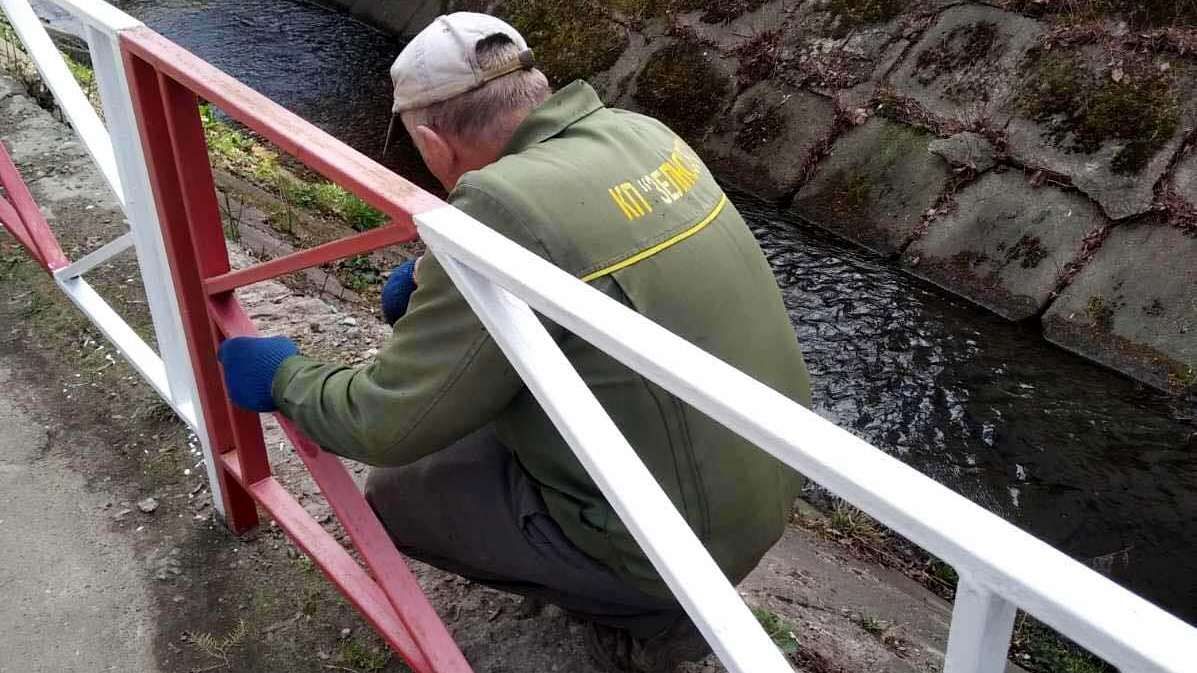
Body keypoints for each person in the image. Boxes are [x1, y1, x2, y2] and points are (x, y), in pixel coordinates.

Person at [216, 12, 812, 672]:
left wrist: (282, 377)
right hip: (766, 488)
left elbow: (385, 421)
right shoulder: (642, 134)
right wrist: (429, 277)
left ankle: (655, 617)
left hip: (678, 547)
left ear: (435, 146)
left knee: (398, 494)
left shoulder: (501, 206)